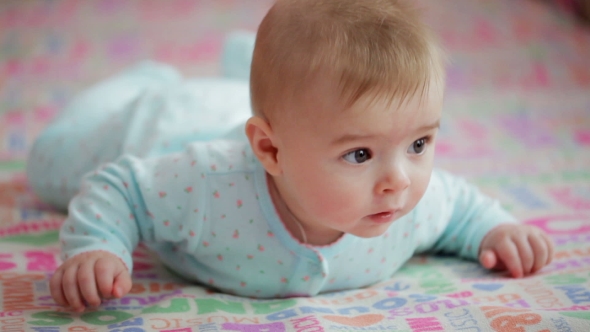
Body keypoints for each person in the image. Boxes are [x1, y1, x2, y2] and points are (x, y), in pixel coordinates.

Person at [27, 0, 554, 312]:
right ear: (270, 151)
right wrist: (99, 247)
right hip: (169, 120)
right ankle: (147, 78)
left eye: (419, 144)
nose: (399, 180)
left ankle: (251, 67)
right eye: (361, 154)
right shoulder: (206, 184)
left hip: (263, 114)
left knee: (295, 97)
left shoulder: (408, 204)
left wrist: (497, 231)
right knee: (48, 168)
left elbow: (459, 205)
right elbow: (120, 187)